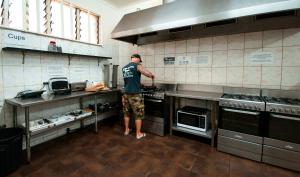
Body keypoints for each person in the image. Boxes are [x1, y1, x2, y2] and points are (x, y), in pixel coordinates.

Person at [122, 54, 155, 139]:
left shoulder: (124, 68)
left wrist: (139, 84)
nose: (140, 62)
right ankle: (138, 134)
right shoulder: (137, 65)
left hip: (126, 94)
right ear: (138, 59)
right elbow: (145, 73)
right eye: (140, 61)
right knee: (138, 114)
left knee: (126, 113)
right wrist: (151, 75)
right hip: (135, 94)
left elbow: (130, 80)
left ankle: (126, 130)